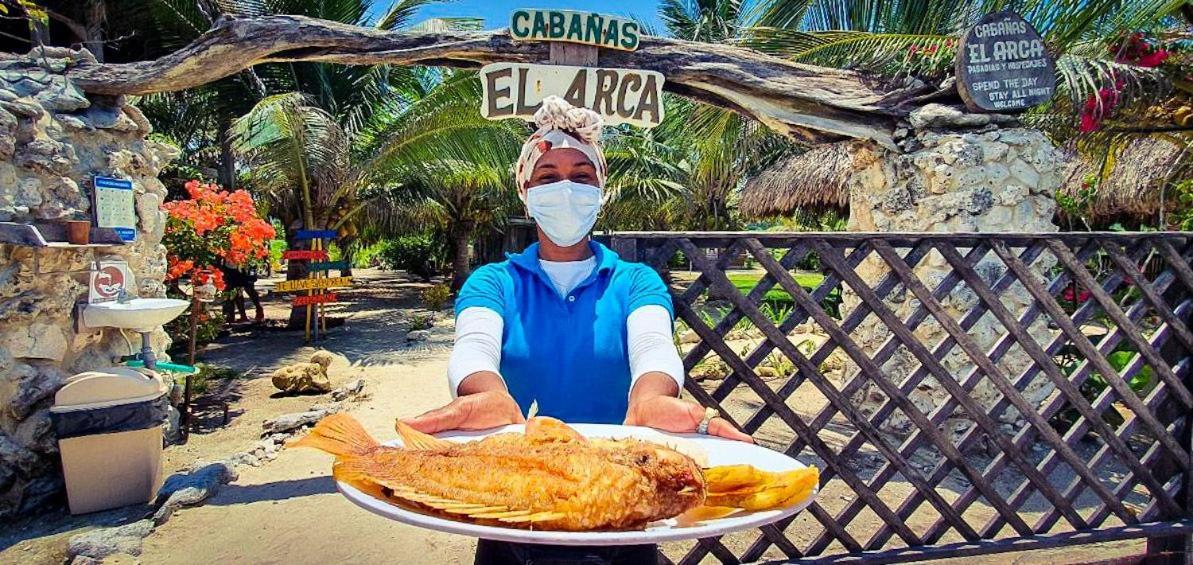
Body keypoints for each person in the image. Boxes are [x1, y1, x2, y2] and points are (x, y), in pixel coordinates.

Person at [401, 97, 752, 565]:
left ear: (600, 189)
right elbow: (473, 348)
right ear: (525, 190)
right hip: (513, 505)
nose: (565, 188)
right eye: (548, 177)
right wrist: (482, 391)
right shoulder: (493, 281)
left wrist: (652, 397)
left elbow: (653, 347)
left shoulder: (636, 281)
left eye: (581, 177)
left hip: (622, 506)